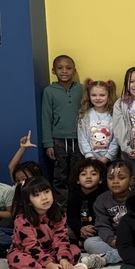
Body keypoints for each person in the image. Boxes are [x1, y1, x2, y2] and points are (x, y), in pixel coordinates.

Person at [7, 176, 90, 269]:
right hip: (27, 252)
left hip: (51, 251)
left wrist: (63, 259)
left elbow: (61, 238)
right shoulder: (22, 219)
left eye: (46, 192)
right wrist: (49, 265)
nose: (44, 197)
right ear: (29, 202)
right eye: (37, 195)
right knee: (16, 259)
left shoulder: (58, 211)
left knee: (74, 249)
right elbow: (31, 247)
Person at [41, 54, 83, 207]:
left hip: (79, 140)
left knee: (77, 174)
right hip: (58, 140)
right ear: (54, 71)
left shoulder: (81, 89)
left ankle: (76, 206)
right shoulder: (49, 91)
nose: (64, 71)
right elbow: (46, 118)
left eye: (68, 68)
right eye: (60, 68)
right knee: (60, 175)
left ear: (74, 70)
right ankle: (61, 208)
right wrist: (48, 144)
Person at [84, 160, 134, 265]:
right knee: (89, 243)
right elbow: (102, 226)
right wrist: (112, 241)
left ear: (131, 180)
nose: (115, 181)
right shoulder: (102, 200)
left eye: (121, 178)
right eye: (111, 178)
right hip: (114, 238)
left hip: (134, 238)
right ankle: (124, 255)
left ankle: (109, 257)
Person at [67, 158, 107, 248]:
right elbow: (72, 218)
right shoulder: (74, 196)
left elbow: (104, 219)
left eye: (93, 174)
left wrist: (93, 229)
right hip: (80, 230)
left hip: (99, 230)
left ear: (100, 179)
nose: (88, 177)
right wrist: (80, 229)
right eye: (83, 174)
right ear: (77, 179)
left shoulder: (105, 196)